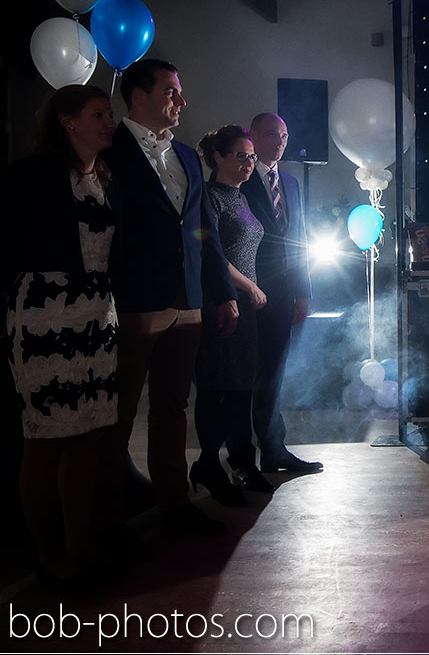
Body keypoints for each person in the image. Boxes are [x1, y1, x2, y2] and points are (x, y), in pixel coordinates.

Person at [101, 59, 238, 537]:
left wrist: (221, 293)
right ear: (139, 95)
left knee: (173, 405)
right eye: (171, 92)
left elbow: (205, 232)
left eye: (180, 93)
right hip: (136, 299)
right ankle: (109, 514)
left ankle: (173, 503)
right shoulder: (109, 149)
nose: (181, 101)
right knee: (117, 411)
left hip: (189, 298)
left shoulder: (185, 154)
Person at [2, 85, 118, 581]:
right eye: (98, 114)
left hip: (96, 313)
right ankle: (48, 555)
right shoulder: (32, 174)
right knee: (45, 438)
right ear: (67, 122)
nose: (108, 122)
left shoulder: (102, 179)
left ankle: (79, 542)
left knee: (87, 435)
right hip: (46, 312)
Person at [237, 113, 320, 478]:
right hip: (248, 288)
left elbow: (299, 238)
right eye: (272, 133)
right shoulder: (238, 177)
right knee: (242, 375)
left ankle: (273, 449)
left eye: (284, 134)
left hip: (285, 291)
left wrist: (303, 291)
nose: (280, 140)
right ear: (253, 135)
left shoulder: (289, 181)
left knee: (273, 373)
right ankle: (240, 456)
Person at [191, 126, 270, 505]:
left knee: (241, 390)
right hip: (222, 303)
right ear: (217, 157)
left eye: (252, 157)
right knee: (217, 389)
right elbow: (213, 253)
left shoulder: (242, 198)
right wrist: (248, 287)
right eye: (240, 155)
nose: (248, 163)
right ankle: (208, 464)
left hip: (247, 306)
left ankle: (242, 462)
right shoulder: (210, 197)